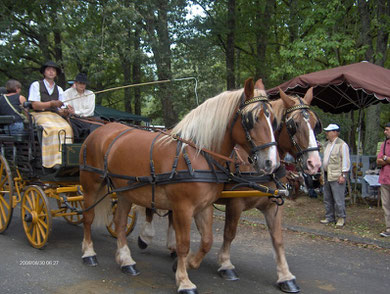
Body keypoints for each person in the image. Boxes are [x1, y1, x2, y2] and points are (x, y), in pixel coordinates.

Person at [28, 60, 73, 169]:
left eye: (53, 70)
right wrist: (51, 103)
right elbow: (35, 105)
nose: (51, 72)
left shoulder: (59, 89)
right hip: (39, 114)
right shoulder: (36, 85)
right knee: (52, 129)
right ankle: (51, 162)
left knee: (67, 128)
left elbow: (61, 108)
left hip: (54, 115)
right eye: (48, 70)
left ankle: (65, 160)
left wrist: (66, 110)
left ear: (56, 73)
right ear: (44, 72)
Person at [320, 123, 350, 227]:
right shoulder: (327, 144)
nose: (326, 133)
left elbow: (345, 161)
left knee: (338, 199)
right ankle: (330, 217)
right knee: (327, 198)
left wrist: (343, 175)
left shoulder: (342, 144)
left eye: (328, 131)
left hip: (337, 175)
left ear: (335, 132)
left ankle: (341, 217)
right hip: (327, 174)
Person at [63, 73, 101, 141]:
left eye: (84, 83)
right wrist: (69, 110)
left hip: (89, 119)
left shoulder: (91, 94)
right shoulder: (67, 93)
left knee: (98, 126)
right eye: (80, 83)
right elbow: (65, 106)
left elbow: (90, 111)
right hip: (74, 119)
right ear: (75, 83)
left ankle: (93, 144)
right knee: (71, 126)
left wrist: (76, 112)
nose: (82, 85)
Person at [377, 122, 390, 237]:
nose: (385, 132)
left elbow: (383, 159)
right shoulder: (384, 144)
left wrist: (385, 158)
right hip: (385, 178)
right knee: (386, 205)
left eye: (387, 129)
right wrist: (386, 159)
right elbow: (378, 160)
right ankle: (388, 228)